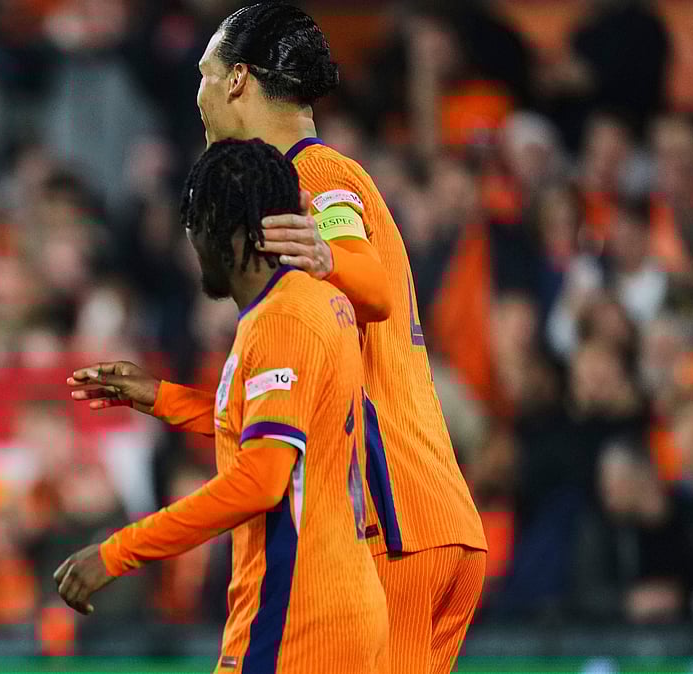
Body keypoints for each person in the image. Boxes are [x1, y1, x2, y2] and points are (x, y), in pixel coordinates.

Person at [199, 4, 489, 672]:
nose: (200, 96)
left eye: (204, 75)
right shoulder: (308, 176)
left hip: (395, 523)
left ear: (237, 80)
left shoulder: (316, 172)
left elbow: (372, 285)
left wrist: (328, 258)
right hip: (422, 517)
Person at [55, 138, 388, 673]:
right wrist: (163, 397)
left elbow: (261, 480)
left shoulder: (281, 321)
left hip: (296, 615)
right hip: (337, 603)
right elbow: (286, 428)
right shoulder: (317, 300)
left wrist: (117, 552)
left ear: (234, 233)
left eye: (198, 225)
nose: (192, 242)